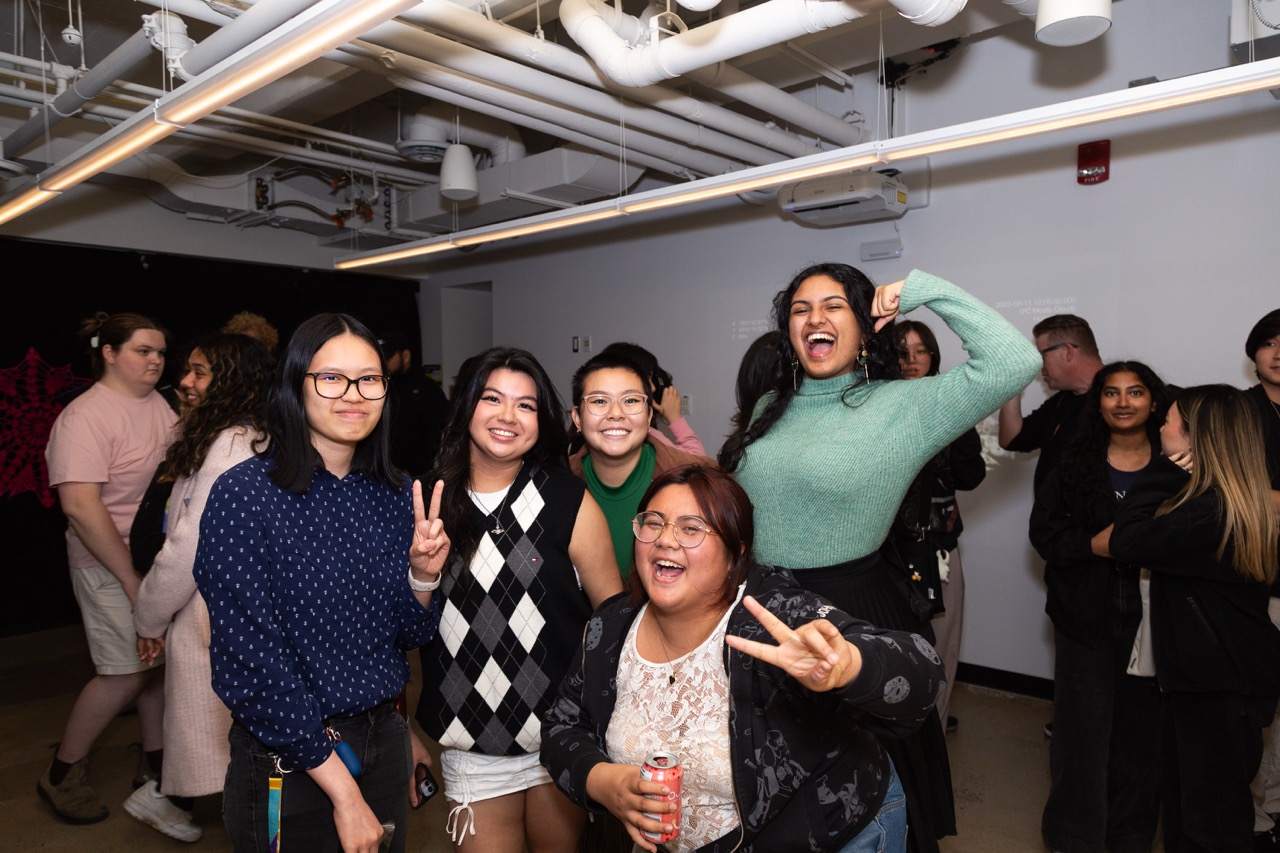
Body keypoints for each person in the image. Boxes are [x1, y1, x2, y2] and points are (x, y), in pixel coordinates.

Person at [725, 264, 1041, 852]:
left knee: (860, 796)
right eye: (800, 309)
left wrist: (924, 289)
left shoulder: (906, 406)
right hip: (760, 604)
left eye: (834, 306)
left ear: (867, 326)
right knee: (768, 791)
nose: (815, 318)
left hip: (850, 607)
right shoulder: (771, 402)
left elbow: (1014, 362)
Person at [542, 464, 945, 853]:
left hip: (839, 835)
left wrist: (851, 668)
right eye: (653, 522)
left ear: (735, 550)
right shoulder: (610, 626)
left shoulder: (774, 615)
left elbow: (923, 671)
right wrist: (602, 781)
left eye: (691, 527)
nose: (665, 539)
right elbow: (561, 726)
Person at [194, 313, 448, 853]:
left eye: (370, 379)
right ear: (295, 384)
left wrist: (422, 575)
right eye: (332, 378)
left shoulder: (395, 492)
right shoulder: (245, 496)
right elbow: (251, 666)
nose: (353, 394)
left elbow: (407, 634)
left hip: (382, 742)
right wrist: (345, 795)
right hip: (290, 754)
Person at [415, 347, 623, 853]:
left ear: (541, 419)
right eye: (492, 399)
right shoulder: (428, 502)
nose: (508, 416)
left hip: (560, 734)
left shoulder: (567, 499)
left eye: (525, 405)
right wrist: (421, 575)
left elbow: (613, 621)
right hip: (472, 740)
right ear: (466, 408)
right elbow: (401, 629)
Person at [1111, 385, 1280, 852]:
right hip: (1212, 680)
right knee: (1193, 814)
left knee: (1212, 826)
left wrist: (1161, 472)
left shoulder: (1212, 511)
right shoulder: (1221, 500)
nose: (1160, 426)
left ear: (1195, 437)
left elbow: (1128, 540)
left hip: (1219, 686)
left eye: (1169, 420)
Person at [39, 312, 179, 829]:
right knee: (122, 675)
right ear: (110, 353)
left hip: (154, 561)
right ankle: (62, 774)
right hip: (106, 561)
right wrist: (128, 576)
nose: (156, 361)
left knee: (156, 669)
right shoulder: (85, 416)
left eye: (161, 352)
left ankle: (159, 763)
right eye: (143, 350)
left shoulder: (162, 406)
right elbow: (79, 505)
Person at [132, 334, 273, 829]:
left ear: (231, 381)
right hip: (233, 610)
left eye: (199, 372)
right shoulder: (248, 434)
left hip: (216, 615)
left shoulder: (230, 445)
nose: (186, 382)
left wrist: (148, 616)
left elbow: (187, 547)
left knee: (234, 748)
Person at [1030, 361, 1168, 853]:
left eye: (1135, 392)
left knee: (1142, 741)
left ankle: (1131, 838)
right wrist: (1094, 546)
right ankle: (1072, 839)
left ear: (1154, 401)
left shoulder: (1176, 465)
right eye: (1112, 393)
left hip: (1156, 624)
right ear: (1099, 402)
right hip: (1083, 620)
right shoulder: (1073, 461)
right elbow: (1044, 534)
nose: (1123, 402)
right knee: (1080, 739)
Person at [889, 319, 986, 732]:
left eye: (921, 351)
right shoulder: (876, 404)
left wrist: (955, 421)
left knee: (941, 646)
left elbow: (971, 475)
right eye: (902, 352)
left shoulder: (950, 402)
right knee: (888, 645)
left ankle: (935, 729)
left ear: (934, 357)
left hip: (939, 545)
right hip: (884, 549)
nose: (912, 361)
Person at [569, 350, 711, 578]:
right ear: (577, 418)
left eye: (631, 400)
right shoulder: (554, 484)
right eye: (599, 401)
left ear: (648, 417)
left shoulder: (699, 479)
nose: (616, 413)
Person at [1241, 309, 1280, 848]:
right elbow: (1235, 495)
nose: (1279, 352)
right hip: (1257, 579)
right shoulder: (1238, 412)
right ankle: (1251, 815)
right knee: (1255, 709)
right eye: (1270, 343)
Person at [998, 313, 1106, 493]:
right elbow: (1012, 439)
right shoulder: (1062, 400)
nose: (1040, 366)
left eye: (1042, 356)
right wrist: (1013, 385)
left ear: (1067, 351)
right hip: (1051, 519)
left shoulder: (1122, 400)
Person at [597, 342, 706, 456]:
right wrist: (675, 418)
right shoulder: (645, 435)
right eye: (648, 378)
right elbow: (700, 461)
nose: (653, 388)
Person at [379, 330, 448, 479]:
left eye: (388, 358)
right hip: (383, 475)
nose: (384, 364)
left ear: (405, 355)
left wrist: (413, 469)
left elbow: (436, 439)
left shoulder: (427, 390)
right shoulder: (380, 388)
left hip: (416, 477)